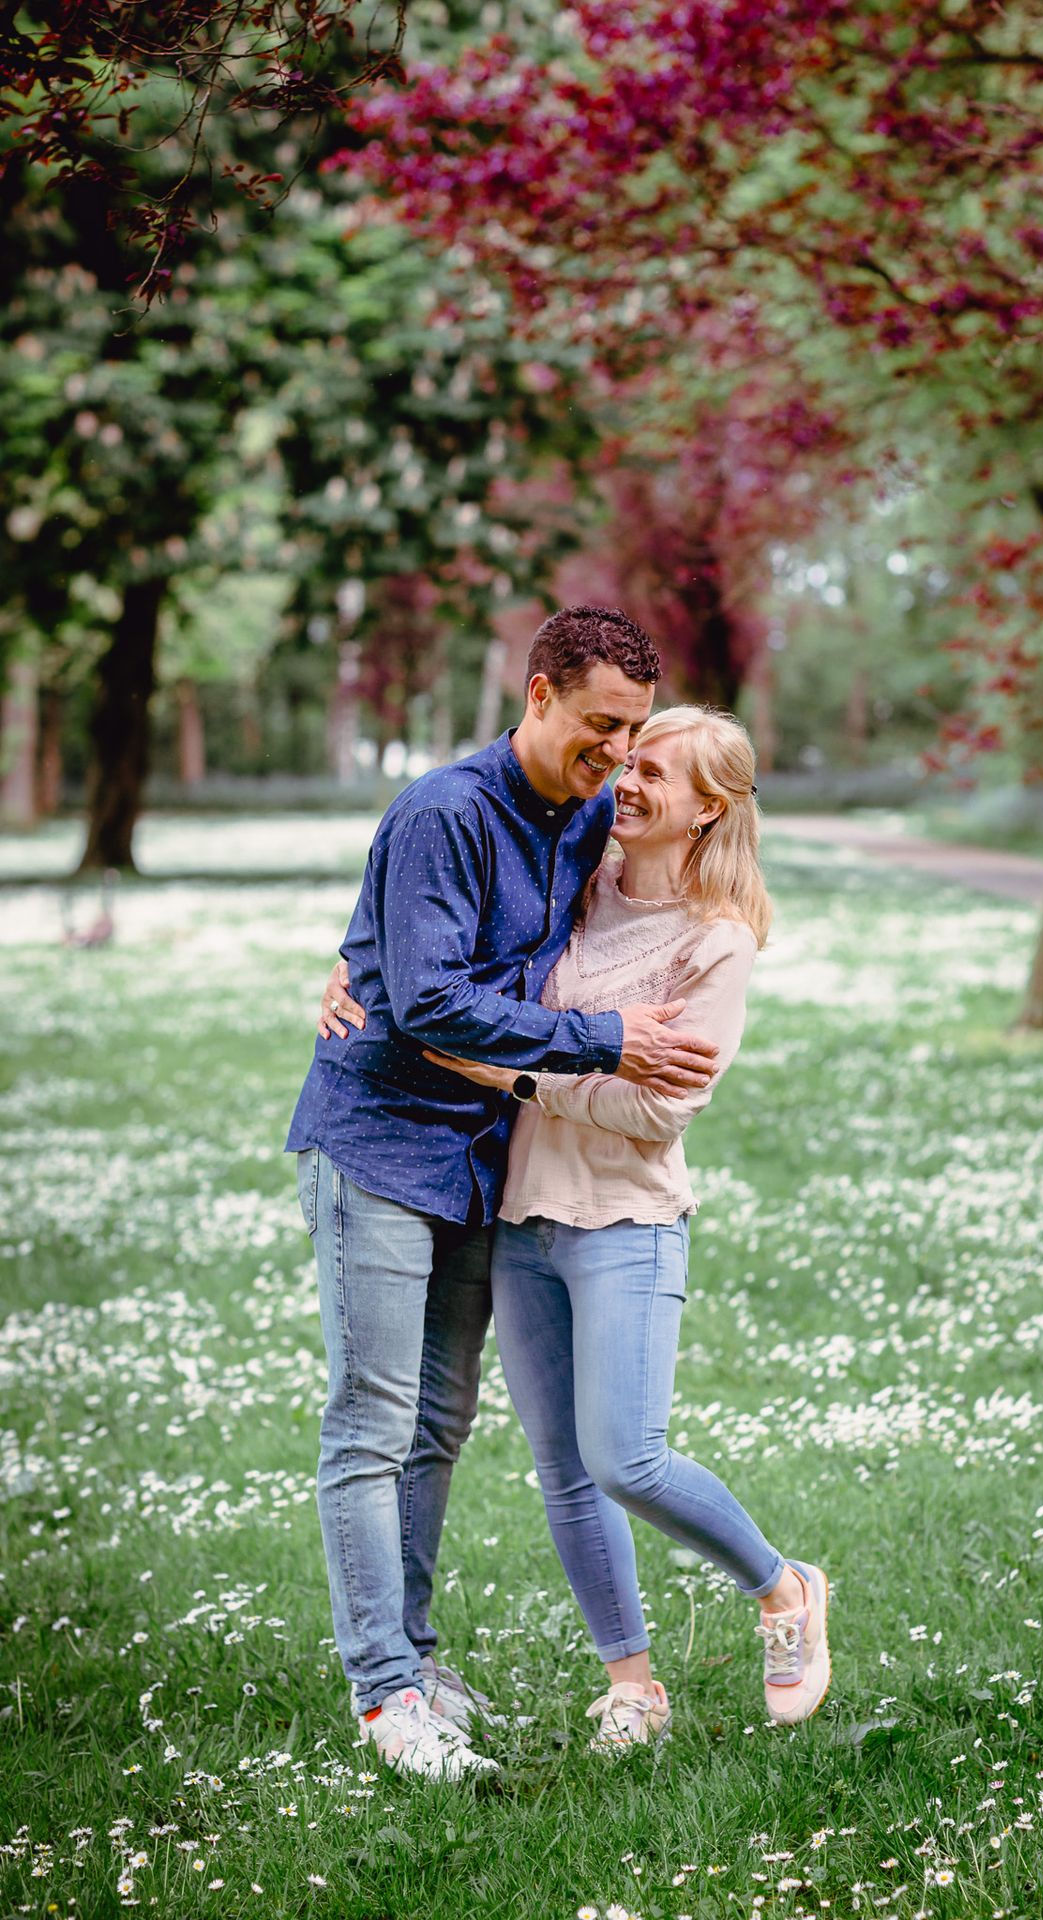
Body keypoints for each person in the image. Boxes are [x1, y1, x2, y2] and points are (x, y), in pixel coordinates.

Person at [325, 707, 830, 1752]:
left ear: (709, 810)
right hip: (517, 1216)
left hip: (626, 1221)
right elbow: (441, 938)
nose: (626, 782)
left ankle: (781, 1587)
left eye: (654, 772)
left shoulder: (715, 940)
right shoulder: (579, 876)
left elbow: (657, 1111)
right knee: (562, 1470)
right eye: (628, 762)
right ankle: (632, 1689)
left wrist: (516, 1075)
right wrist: (352, 969)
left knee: (625, 1458)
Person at [288, 607, 720, 1779]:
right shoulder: (444, 809)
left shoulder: (585, 814)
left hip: (481, 1151)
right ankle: (385, 1701)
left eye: (631, 731)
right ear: (536, 698)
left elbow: (671, 872)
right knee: (371, 1424)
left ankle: (416, 1661)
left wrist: (350, 952)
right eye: (597, 725)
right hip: (377, 1143)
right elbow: (426, 1002)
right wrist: (603, 1039)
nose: (617, 753)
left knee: (434, 1425)